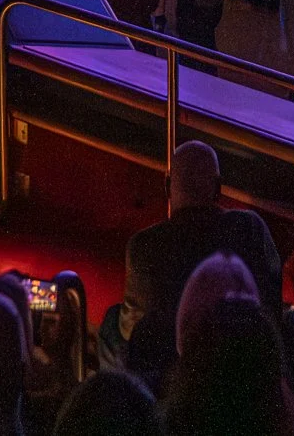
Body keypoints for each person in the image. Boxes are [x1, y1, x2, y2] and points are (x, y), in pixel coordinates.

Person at [105, 140, 282, 378]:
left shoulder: (144, 245)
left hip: (165, 376)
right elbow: (272, 305)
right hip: (245, 366)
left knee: (110, 322)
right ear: (218, 187)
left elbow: (130, 328)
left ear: (168, 187)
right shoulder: (250, 228)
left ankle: (121, 403)